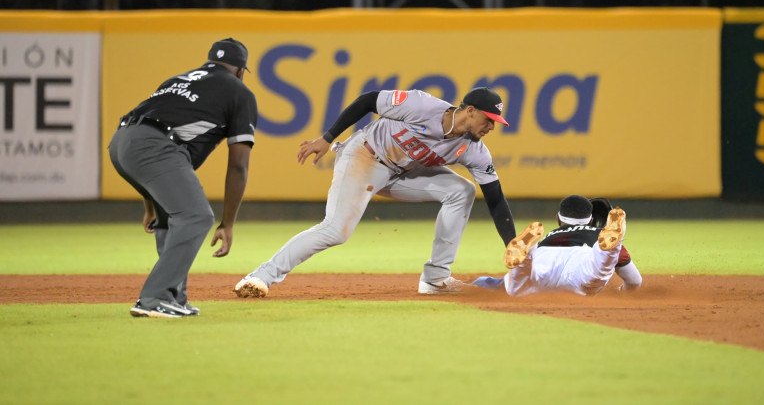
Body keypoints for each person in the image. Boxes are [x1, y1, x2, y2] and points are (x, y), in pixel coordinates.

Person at [235, 87, 517, 297]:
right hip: (365, 157)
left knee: (462, 191)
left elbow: (495, 198)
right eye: (488, 118)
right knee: (336, 231)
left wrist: (511, 242)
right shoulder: (422, 105)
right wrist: (327, 138)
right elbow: (368, 100)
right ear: (470, 111)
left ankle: (436, 279)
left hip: (402, 173)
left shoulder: (475, 150)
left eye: (496, 121)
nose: (492, 126)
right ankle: (262, 276)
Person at [109, 38, 258, 318]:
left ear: (210, 61)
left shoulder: (175, 80)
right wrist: (227, 223)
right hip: (155, 146)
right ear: (240, 71)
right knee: (197, 217)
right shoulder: (240, 92)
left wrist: (151, 206)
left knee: (170, 218)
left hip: (121, 142)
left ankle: (174, 296)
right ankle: (154, 298)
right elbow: (239, 165)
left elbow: (149, 131)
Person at [473, 195, 642, 296]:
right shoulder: (598, 234)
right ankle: (611, 249)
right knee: (599, 267)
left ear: (558, 219)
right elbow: (634, 281)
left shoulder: (552, 235)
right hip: (583, 265)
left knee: (518, 285)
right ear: (591, 221)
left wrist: (481, 283)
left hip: (545, 257)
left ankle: (527, 255)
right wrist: (620, 293)